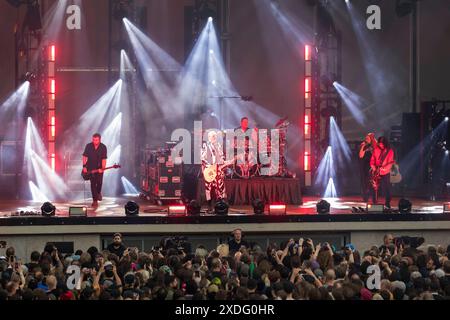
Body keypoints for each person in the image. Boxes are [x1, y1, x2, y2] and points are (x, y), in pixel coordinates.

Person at [201, 130, 227, 213]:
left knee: (219, 188)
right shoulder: (205, 145)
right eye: (212, 137)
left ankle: (220, 205)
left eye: (215, 137)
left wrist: (223, 160)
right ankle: (209, 206)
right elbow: (202, 158)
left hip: (217, 170)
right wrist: (210, 166)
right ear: (209, 138)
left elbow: (222, 156)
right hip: (209, 171)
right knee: (208, 189)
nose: (214, 138)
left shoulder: (218, 145)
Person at [82, 133, 108, 208]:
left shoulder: (103, 147)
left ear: (99, 140)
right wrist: (84, 166)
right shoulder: (88, 146)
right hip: (90, 168)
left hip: (99, 168)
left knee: (99, 182)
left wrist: (103, 168)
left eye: (96, 140)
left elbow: (104, 159)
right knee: (93, 184)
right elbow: (84, 156)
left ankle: (99, 192)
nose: (94, 141)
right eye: (93, 140)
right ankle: (95, 200)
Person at [370, 136, 394, 208]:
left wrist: (382, 169)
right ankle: (374, 203)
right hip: (376, 172)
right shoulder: (376, 150)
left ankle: (387, 203)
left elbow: (390, 163)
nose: (381, 145)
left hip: (385, 172)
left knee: (387, 189)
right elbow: (372, 160)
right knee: (374, 188)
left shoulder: (390, 151)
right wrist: (374, 168)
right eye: (379, 143)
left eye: (382, 144)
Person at [359, 133, 377, 202]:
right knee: (365, 182)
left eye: (368, 138)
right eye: (365, 138)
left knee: (373, 183)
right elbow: (360, 155)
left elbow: (376, 155)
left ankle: (374, 198)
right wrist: (363, 147)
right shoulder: (363, 145)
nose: (366, 139)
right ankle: (365, 198)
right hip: (364, 166)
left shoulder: (374, 145)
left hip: (372, 166)